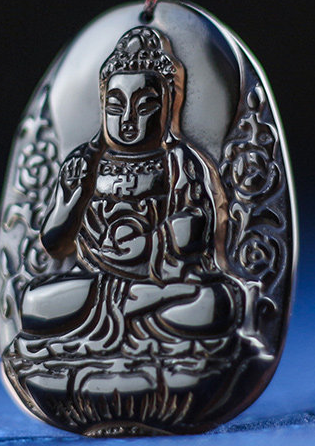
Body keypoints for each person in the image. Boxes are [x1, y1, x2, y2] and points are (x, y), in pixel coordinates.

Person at [18, 26, 238, 356]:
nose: (128, 120)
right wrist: (71, 199)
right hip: (95, 284)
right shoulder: (85, 163)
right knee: (34, 302)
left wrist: (150, 244)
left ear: (168, 107)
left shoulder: (179, 162)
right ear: (102, 106)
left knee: (216, 302)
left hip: (161, 280)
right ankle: (137, 306)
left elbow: (196, 227)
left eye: (145, 106)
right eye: (116, 107)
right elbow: (54, 244)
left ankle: (147, 301)